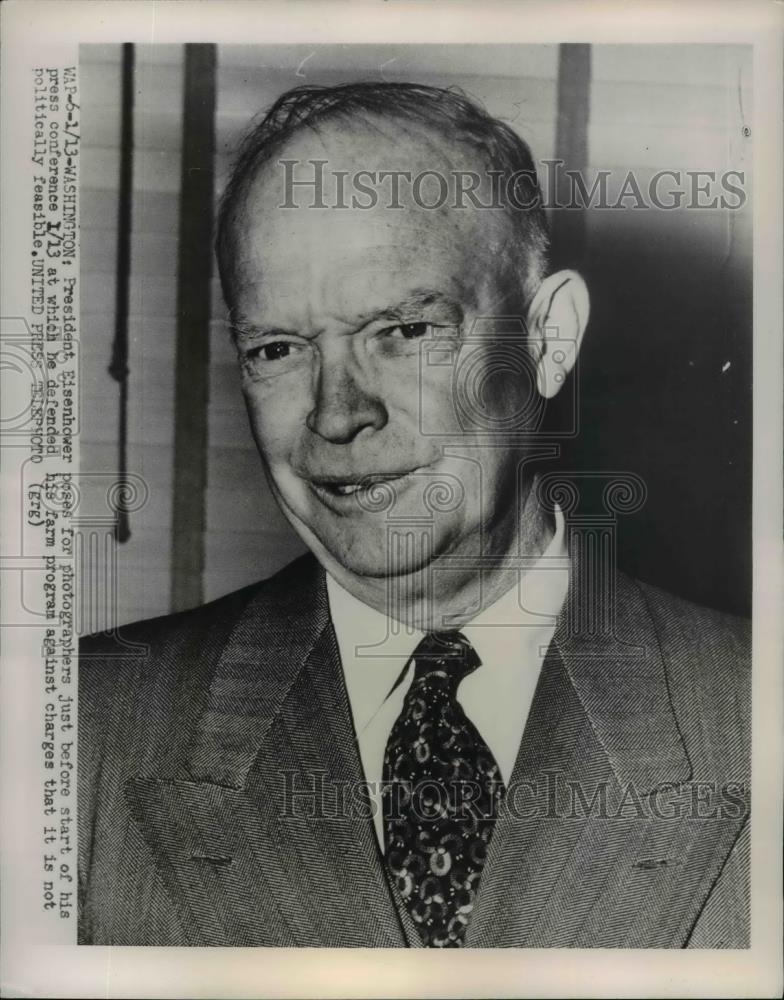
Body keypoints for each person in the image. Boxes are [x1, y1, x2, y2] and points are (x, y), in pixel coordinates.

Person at [78, 82, 750, 948]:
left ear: (547, 340)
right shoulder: (80, 731)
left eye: (402, 330)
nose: (335, 414)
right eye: (277, 349)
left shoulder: (748, 713)